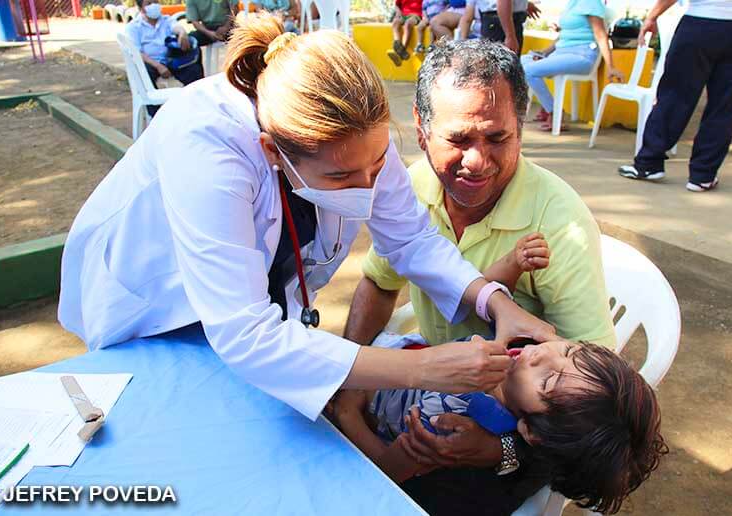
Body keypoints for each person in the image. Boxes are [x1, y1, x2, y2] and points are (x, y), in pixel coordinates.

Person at [58, 15, 556, 424]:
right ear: (273, 152)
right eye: (342, 177)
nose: (367, 186)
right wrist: (420, 368)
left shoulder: (358, 137)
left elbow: (412, 240)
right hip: (153, 306)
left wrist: (494, 302)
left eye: (377, 165)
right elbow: (246, 333)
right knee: (170, 417)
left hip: (245, 315)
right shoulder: (206, 145)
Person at [344, 38, 616, 513]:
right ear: (422, 129)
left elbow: (590, 398)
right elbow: (379, 284)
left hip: (514, 440)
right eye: (458, 140)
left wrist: (500, 450)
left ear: (521, 129)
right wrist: (348, 378)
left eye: (497, 138)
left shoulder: (560, 225)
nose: (478, 161)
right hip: (423, 384)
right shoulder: (412, 187)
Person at [327, 339, 668, 515]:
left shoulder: (451, 430)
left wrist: (348, 416)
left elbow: (384, 475)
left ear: (531, 433)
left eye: (548, 381)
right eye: (568, 350)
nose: (541, 353)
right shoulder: (532, 385)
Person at [618, 0, 732, 191]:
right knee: (725, 104)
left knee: (675, 94)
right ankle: (703, 175)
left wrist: (653, 16)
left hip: (701, 21)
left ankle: (649, 163)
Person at [520, 0, 624, 132]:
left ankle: (554, 112)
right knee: (521, 61)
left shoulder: (591, 2)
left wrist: (610, 66)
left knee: (529, 70)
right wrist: (544, 53)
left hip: (581, 55)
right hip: (561, 53)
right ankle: (548, 107)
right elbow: (564, 35)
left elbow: (600, 35)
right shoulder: (573, 3)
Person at [125, 0, 205, 115]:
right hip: (151, 63)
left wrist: (182, 33)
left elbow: (176, 27)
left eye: (155, 1)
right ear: (141, 8)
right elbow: (136, 52)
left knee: (193, 67)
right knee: (144, 74)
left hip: (170, 59)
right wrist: (158, 66)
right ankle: (155, 115)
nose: (154, 5)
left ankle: (197, 107)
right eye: (149, 3)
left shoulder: (166, 20)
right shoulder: (133, 27)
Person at [386, 0, 423, 66]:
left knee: (408, 24)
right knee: (395, 22)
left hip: (416, 14)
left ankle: (401, 50)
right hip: (404, 15)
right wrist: (398, 12)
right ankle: (398, 46)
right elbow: (397, 5)